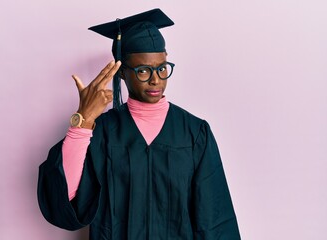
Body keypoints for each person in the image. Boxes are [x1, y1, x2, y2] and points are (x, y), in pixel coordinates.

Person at [37, 8, 241, 240]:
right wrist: (82, 122)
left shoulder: (194, 133)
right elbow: (66, 197)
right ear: (122, 72)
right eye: (143, 70)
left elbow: (215, 219)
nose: (155, 79)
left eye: (162, 68)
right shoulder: (103, 132)